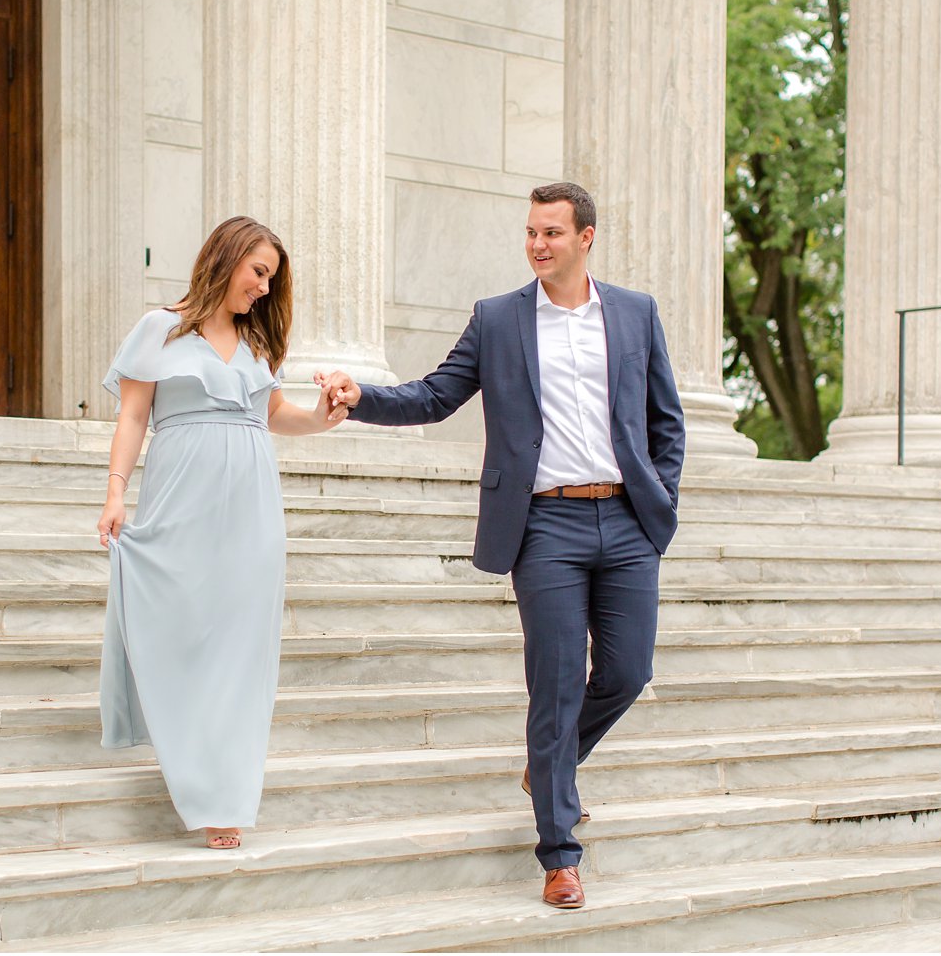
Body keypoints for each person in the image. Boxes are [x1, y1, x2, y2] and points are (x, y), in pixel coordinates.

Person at [316, 182, 685, 908]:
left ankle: (551, 763)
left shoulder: (636, 314)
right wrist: (361, 396)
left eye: (552, 232)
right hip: (544, 525)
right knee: (553, 683)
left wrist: (660, 497)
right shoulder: (498, 320)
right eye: (530, 232)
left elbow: (665, 419)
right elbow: (432, 395)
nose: (538, 244)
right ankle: (559, 852)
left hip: (626, 520)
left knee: (628, 669)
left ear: (586, 237)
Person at [96, 215, 347, 850]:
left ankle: (225, 798)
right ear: (227, 258)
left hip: (253, 513)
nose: (264, 288)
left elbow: (276, 417)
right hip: (182, 503)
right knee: (184, 633)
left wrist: (322, 418)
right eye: (259, 271)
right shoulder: (160, 329)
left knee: (242, 650)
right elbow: (131, 415)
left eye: (271, 278)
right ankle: (188, 761)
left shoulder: (259, 346)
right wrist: (116, 492)